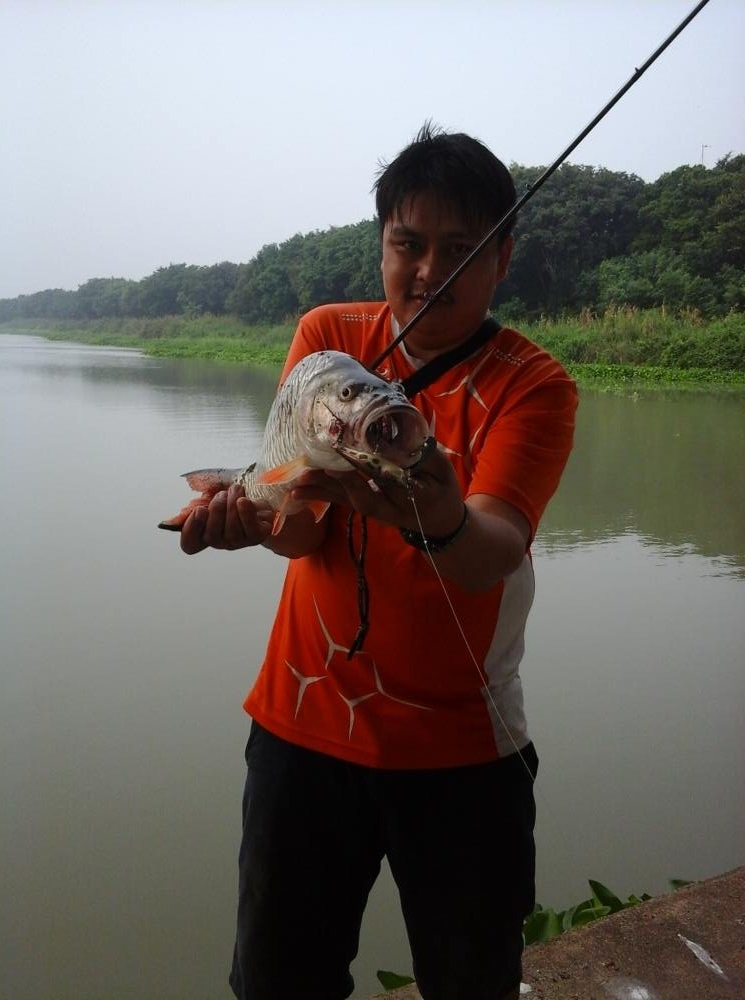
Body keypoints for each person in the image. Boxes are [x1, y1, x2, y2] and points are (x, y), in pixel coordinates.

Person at [180, 124, 578, 1000]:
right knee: (281, 981)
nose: (428, 272)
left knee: (472, 980)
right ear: (382, 245)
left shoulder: (533, 385)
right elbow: (303, 526)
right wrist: (256, 519)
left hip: (466, 752)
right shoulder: (328, 341)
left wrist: (435, 510)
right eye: (408, 245)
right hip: (303, 732)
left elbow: (492, 553)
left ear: (503, 256)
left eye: (459, 249)